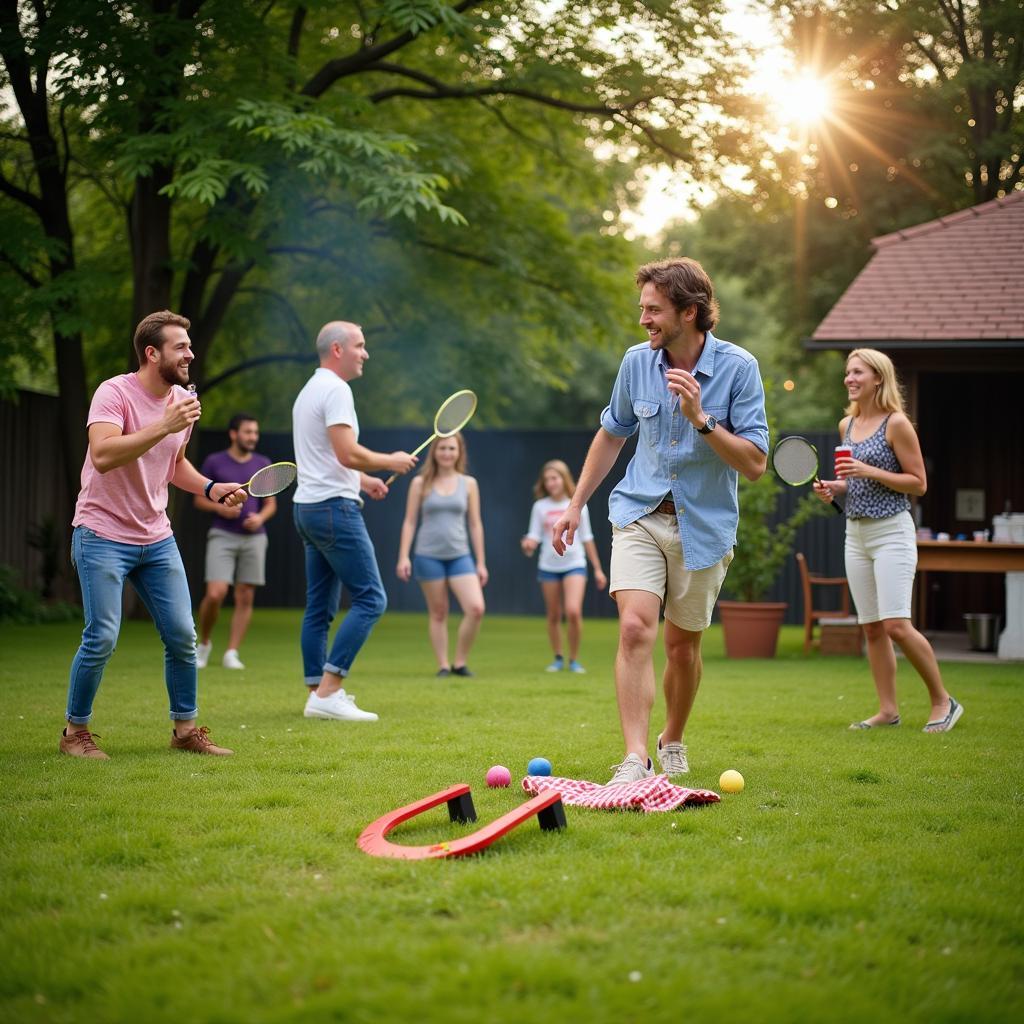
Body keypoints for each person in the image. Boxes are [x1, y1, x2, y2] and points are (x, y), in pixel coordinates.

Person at [551, 258, 768, 785]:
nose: (644, 319)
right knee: (633, 629)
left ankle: (672, 737)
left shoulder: (739, 369)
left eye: (654, 309)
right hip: (639, 513)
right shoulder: (635, 363)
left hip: (706, 526)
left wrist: (702, 420)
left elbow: (756, 463)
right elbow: (612, 433)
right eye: (642, 308)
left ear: (690, 312)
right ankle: (635, 757)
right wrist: (576, 503)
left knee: (682, 647)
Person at [60, 310, 245, 759]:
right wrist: (165, 423)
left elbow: (173, 463)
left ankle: (184, 731)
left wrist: (210, 486)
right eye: (180, 346)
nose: (190, 353)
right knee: (102, 635)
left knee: (183, 633)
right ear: (151, 352)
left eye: (189, 345)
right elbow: (103, 455)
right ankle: (74, 734)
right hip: (102, 532)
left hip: (156, 536)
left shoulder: (182, 400)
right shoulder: (114, 393)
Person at [813, 348, 962, 733]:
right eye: (848, 372)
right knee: (872, 628)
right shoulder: (848, 425)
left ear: (878, 378)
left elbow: (918, 483)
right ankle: (888, 710)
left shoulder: (897, 424)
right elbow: (855, 480)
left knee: (896, 624)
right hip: (856, 531)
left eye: (857, 372)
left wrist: (867, 469)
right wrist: (835, 488)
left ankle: (943, 701)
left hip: (892, 530)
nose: (849, 378)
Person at [291, 321, 417, 722]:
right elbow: (345, 452)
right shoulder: (336, 389)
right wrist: (389, 461)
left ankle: (317, 694)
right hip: (333, 510)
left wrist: (364, 481)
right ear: (338, 349)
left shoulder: (309, 390)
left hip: (307, 508)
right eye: (360, 346)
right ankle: (329, 691)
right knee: (371, 598)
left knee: (318, 608)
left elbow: (324, 456)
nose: (366, 354)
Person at [396, 433, 488, 676]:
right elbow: (409, 521)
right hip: (428, 556)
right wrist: (403, 556)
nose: (447, 453)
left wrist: (481, 562)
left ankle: (460, 662)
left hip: (460, 555)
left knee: (476, 608)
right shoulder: (420, 483)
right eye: (442, 448)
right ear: (434, 452)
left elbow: (476, 524)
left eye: (451, 448)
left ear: (459, 452)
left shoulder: (469, 484)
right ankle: (443, 665)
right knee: (438, 611)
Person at [194, 414, 275, 670]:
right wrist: (221, 509)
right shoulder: (214, 462)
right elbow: (198, 499)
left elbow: (271, 504)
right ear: (233, 434)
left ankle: (232, 652)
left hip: (254, 538)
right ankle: (204, 643)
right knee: (216, 594)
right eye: (248, 432)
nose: (253, 437)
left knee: (245, 597)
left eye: (255, 433)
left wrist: (259, 518)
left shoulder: (263, 464)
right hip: (223, 535)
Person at [521, 459, 607, 673]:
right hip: (548, 567)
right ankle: (558, 657)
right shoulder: (539, 507)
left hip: (574, 564)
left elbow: (587, 538)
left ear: (564, 479)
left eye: (555, 478)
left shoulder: (576, 506)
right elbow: (533, 537)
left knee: (573, 611)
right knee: (553, 615)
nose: (551, 483)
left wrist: (597, 569)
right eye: (547, 479)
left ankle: (574, 659)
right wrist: (528, 545)